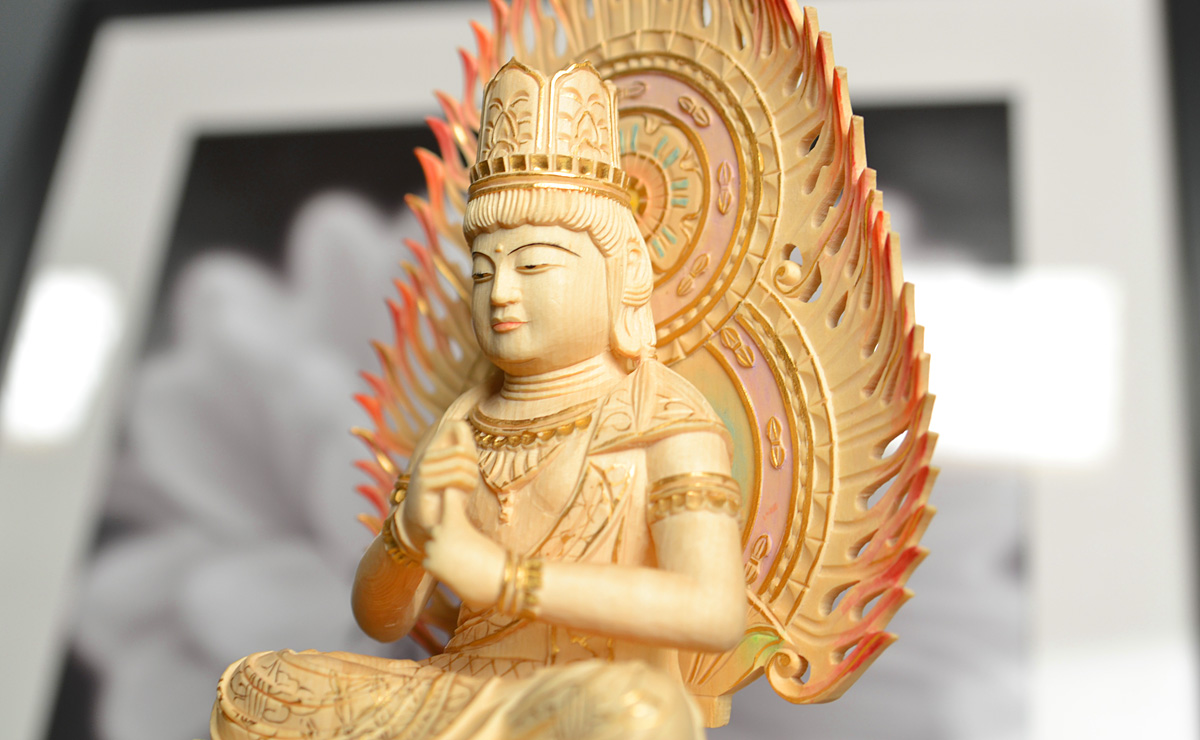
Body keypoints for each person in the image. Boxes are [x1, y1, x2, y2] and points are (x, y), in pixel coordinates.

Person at [210, 60, 745, 740]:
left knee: (636, 715)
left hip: (586, 697)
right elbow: (383, 620)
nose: (501, 294)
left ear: (624, 271)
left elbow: (714, 610)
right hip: (458, 692)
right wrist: (407, 536)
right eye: (485, 271)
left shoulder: (666, 418)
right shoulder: (466, 420)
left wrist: (506, 578)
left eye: (534, 265)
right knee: (258, 687)